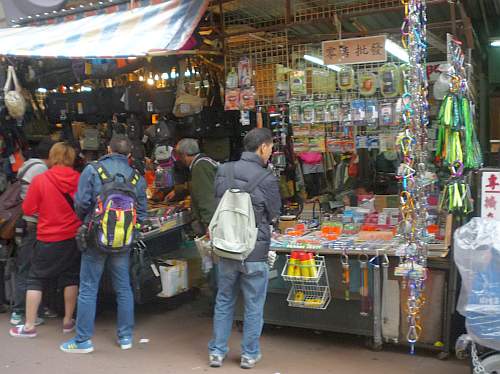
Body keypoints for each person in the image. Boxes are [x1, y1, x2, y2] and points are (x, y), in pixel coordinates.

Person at [60, 135, 147, 354]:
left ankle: (83, 341)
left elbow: (81, 203)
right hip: (123, 241)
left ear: (108, 148)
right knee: (124, 288)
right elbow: (142, 213)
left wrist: (89, 221)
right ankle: (126, 337)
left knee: (88, 288)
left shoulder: (93, 170)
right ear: (129, 155)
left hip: (95, 238)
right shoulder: (137, 178)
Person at [208, 128, 281, 369]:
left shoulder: (223, 170)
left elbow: (217, 202)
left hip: (226, 247)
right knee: (253, 303)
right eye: (270, 148)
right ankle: (249, 354)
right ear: (262, 147)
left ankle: (217, 352)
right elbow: (274, 213)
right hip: (254, 251)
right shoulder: (267, 177)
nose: (270, 153)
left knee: (224, 299)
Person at [9, 142, 81, 338]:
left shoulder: (41, 180)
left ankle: (30, 325)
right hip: (72, 237)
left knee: (35, 279)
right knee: (70, 278)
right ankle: (67, 321)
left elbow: (29, 209)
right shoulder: (78, 179)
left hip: (47, 236)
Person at [10, 138, 55, 326]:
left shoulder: (29, 166)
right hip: (32, 224)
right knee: (29, 268)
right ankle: (20, 312)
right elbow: (36, 202)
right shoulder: (41, 170)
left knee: (27, 266)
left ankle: (28, 309)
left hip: (26, 223)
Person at [174, 138, 218, 236]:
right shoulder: (204, 162)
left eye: (178, 156)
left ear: (183, 155)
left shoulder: (200, 167)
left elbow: (205, 197)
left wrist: (209, 224)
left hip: (212, 222)